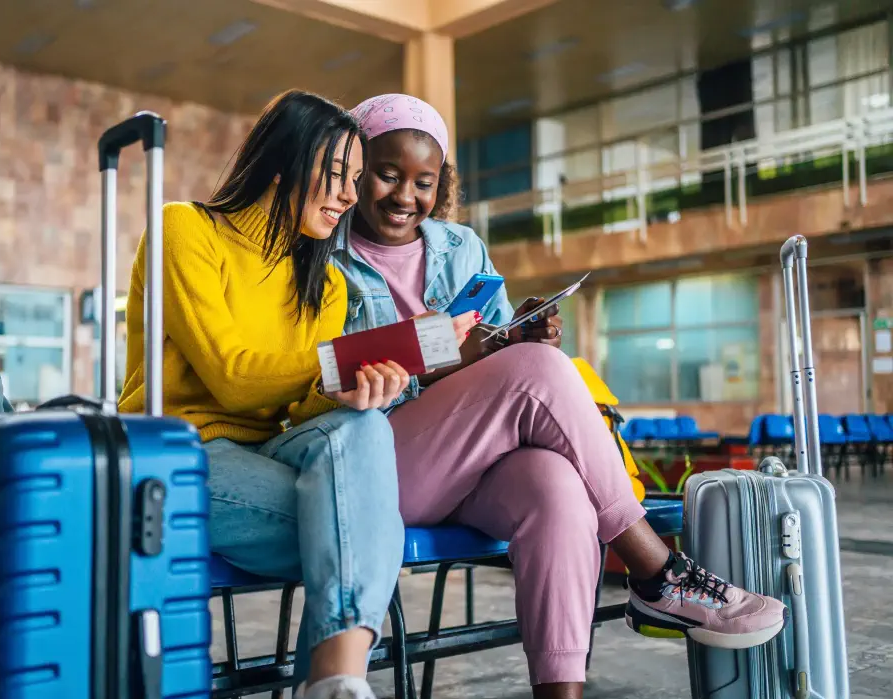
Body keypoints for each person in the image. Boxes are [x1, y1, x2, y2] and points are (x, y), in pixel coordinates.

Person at [331, 94, 788, 699]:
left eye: (423, 181)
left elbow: (491, 345)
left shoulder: (459, 245)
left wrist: (517, 334)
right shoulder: (324, 250)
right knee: (541, 369)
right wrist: (451, 357)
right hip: (380, 460)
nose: (404, 197)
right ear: (357, 168)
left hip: (470, 462)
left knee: (556, 487)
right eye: (387, 175)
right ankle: (656, 572)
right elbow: (329, 373)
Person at [119, 90, 411, 699]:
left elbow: (293, 406)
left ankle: (336, 680)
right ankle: (333, 683)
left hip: (268, 449)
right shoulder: (186, 230)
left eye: (356, 179)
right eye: (337, 176)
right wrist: (332, 367)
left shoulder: (325, 281)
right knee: (354, 532)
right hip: (177, 451)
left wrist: (354, 389)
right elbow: (232, 374)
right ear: (283, 164)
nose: (351, 196)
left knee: (364, 430)